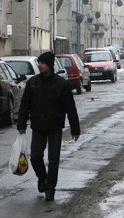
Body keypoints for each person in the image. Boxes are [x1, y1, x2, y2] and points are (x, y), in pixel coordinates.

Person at [17, 51, 80, 201]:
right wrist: (21, 124)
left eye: (43, 63)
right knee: (36, 157)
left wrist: (75, 128)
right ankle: (42, 178)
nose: (39, 65)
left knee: (53, 159)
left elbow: (70, 108)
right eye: (39, 63)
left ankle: (50, 189)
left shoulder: (61, 84)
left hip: (55, 127)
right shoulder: (33, 83)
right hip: (38, 126)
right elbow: (25, 105)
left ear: (50, 65)